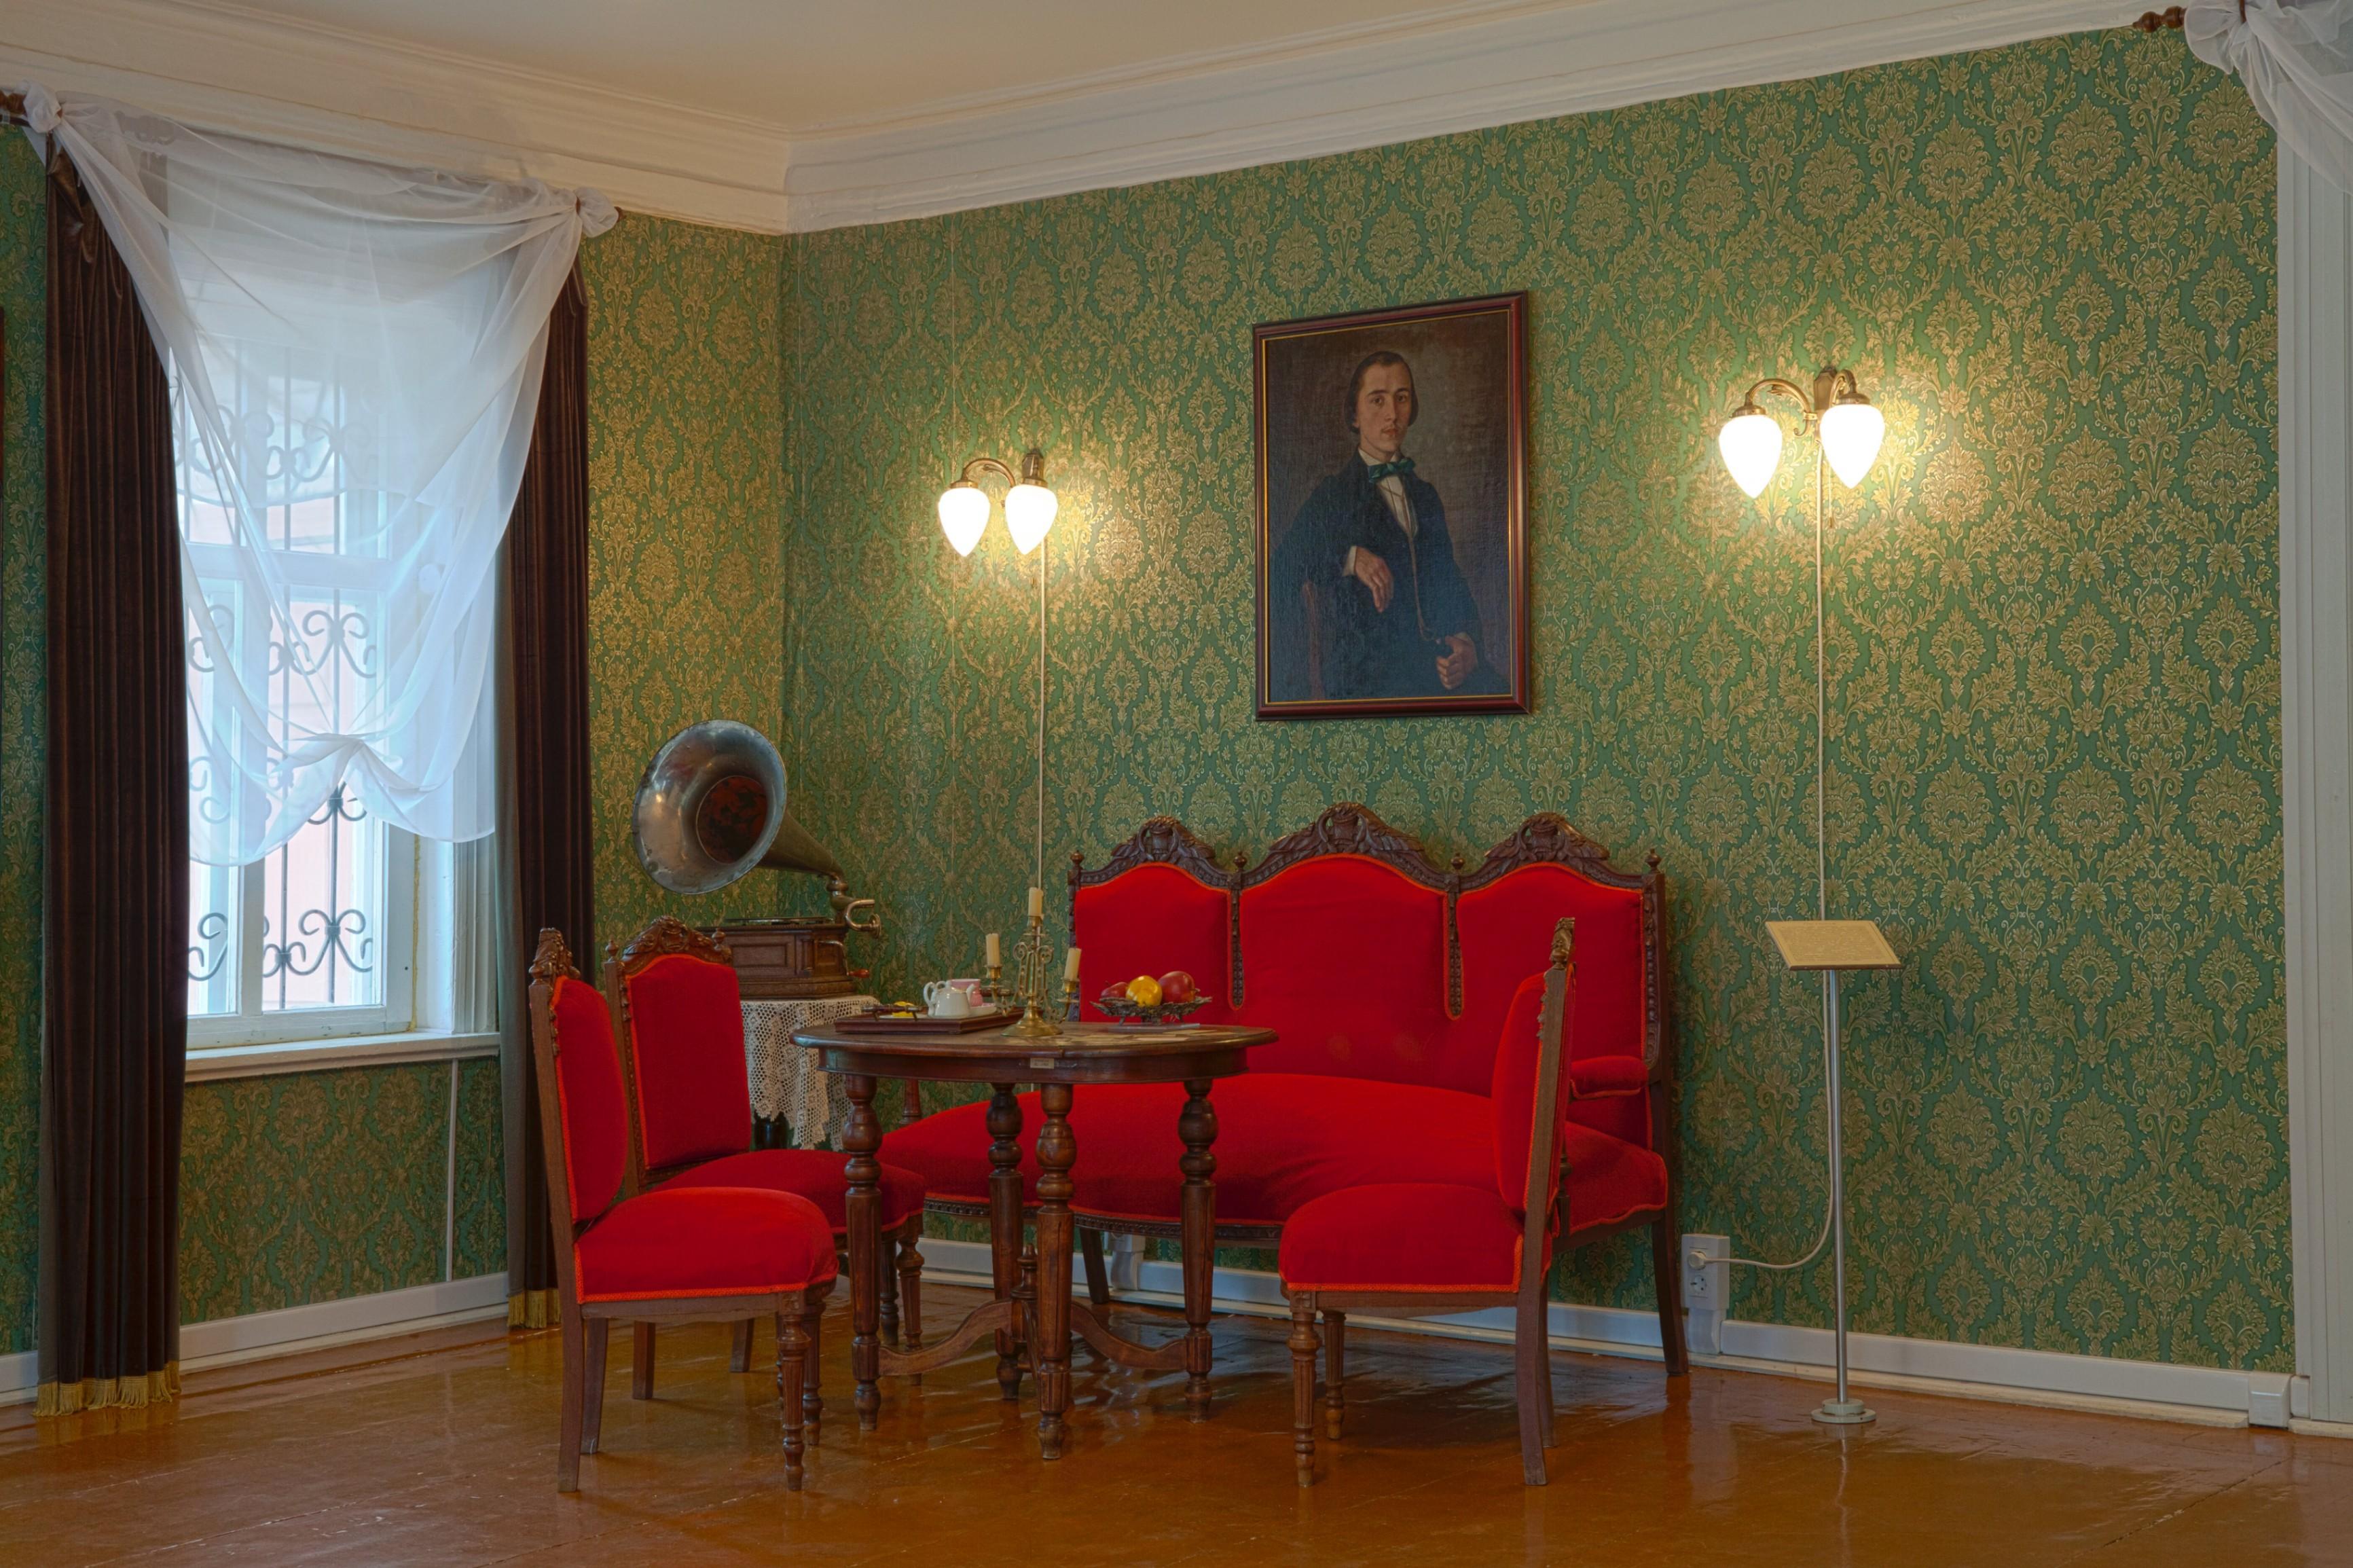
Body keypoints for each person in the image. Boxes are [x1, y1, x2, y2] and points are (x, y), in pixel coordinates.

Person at [1268, 350, 1494, 701]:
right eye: (1378, 400)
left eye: (1401, 398)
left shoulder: (1425, 496)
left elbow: (1449, 580)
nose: (1392, 414)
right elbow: (1281, 571)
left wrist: (1467, 644)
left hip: (1432, 667)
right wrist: (1350, 558)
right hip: (1369, 678)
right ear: (1354, 415)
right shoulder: (1334, 495)